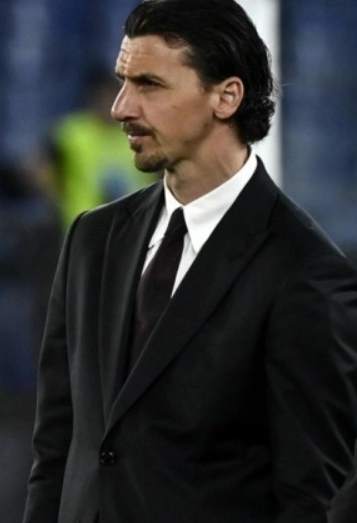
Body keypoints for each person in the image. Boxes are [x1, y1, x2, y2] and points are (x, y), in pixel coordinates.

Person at [22, 1, 357, 522]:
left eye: (149, 85)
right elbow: (56, 453)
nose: (120, 107)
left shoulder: (305, 272)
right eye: (123, 82)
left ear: (226, 96)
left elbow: (310, 497)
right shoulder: (93, 239)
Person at [27, 68, 155, 231]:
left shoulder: (139, 135)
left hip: (132, 233)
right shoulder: (72, 133)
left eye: (112, 97)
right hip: (84, 231)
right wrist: (57, 199)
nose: (108, 104)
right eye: (102, 98)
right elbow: (41, 170)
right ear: (92, 99)